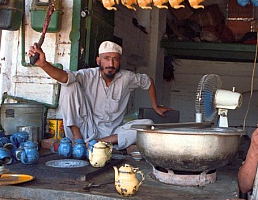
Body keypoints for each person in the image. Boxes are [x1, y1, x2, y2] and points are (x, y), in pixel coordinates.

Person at [28, 40, 172, 150]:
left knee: (148, 125)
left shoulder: (127, 78)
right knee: (69, 84)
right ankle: (78, 142)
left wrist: (155, 106)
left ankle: (97, 144)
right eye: (106, 58)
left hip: (113, 133)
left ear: (120, 61)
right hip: (85, 129)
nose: (111, 63)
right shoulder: (88, 75)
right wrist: (44, 64)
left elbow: (148, 82)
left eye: (115, 59)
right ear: (98, 61)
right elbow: (64, 77)